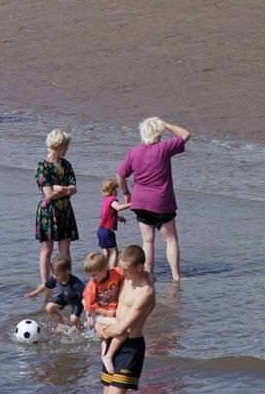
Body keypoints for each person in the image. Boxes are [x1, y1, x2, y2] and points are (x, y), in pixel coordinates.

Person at [118, 117, 190, 279]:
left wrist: (126, 193)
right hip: (161, 201)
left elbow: (121, 174)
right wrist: (166, 124)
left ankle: (148, 273)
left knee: (148, 241)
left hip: (140, 201)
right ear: (158, 133)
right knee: (170, 240)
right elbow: (185, 134)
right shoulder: (163, 148)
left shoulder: (135, 151)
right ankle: (176, 275)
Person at [94, 244, 155, 390]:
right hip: (111, 341)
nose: (122, 271)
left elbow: (123, 327)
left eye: (126, 269)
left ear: (139, 267)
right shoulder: (125, 279)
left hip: (130, 347)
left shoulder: (145, 293)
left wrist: (102, 330)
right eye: (122, 267)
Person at [34, 128, 78, 287]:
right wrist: (62, 190)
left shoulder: (66, 165)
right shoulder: (42, 166)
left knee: (65, 250)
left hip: (65, 210)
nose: (67, 149)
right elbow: (48, 194)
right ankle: (46, 283)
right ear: (58, 146)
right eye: (65, 146)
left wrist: (61, 189)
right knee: (47, 248)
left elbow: (74, 189)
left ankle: (67, 281)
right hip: (48, 212)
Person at [82, 248, 124, 365]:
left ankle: (108, 347)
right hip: (99, 312)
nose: (92, 278)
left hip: (112, 307)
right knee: (119, 328)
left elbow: (126, 274)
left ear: (104, 269)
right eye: (90, 275)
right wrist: (106, 313)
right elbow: (90, 306)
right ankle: (106, 352)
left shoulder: (116, 273)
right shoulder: (92, 285)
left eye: (94, 275)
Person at [24, 254, 85, 331]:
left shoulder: (76, 284)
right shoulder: (55, 278)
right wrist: (35, 293)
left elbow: (86, 295)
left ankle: (81, 330)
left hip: (77, 300)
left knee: (73, 319)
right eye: (53, 274)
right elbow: (45, 285)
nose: (55, 277)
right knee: (49, 307)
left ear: (67, 272)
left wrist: (90, 311)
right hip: (65, 297)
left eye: (57, 275)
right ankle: (61, 325)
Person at [98, 178, 129, 268]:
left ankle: (101, 268)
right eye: (116, 189)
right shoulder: (112, 200)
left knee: (106, 252)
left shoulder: (105, 200)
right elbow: (118, 208)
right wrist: (131, 204)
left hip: (100, 230)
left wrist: (118, 218)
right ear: (112, 190)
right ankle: (112, 270)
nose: (117, 192)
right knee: (114, 251)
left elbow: (106, 214)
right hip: (107, 231)